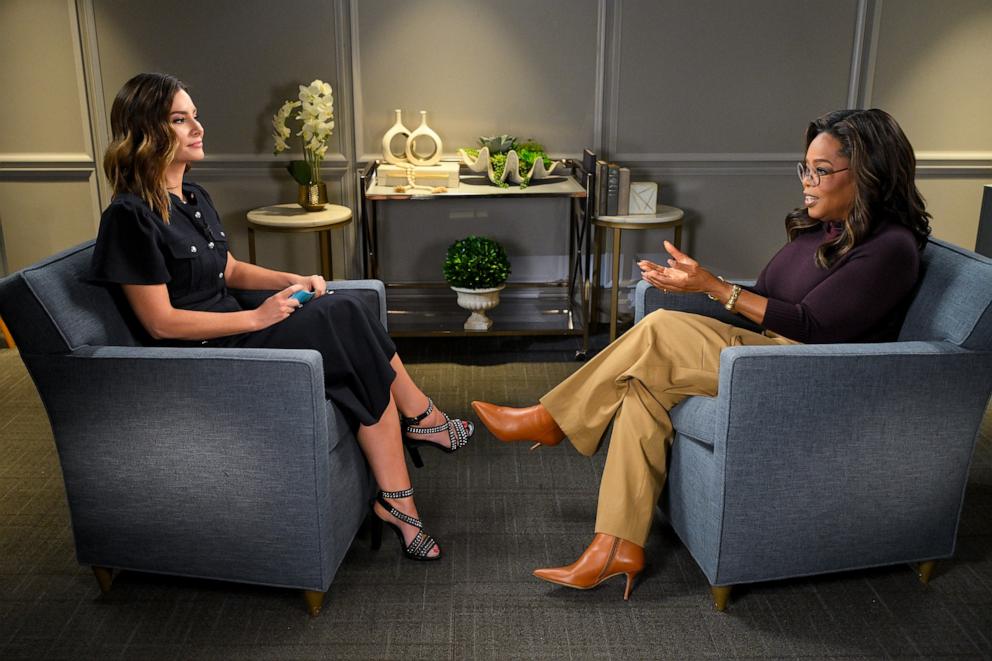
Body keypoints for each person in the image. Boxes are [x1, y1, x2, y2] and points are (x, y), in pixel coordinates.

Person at [472, 108, 932, 598]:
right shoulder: (824, 230)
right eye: (805, 167)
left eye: (822, 171)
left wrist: (713, 287)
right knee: (639, 388)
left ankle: (553, 418)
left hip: (807, 373)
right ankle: (615, 546)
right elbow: (771, 298)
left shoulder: (891, 249)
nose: (808, 181)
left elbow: (812, 325)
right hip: (766, 355)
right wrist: (706, 288)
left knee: (661, 328)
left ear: (869, 174)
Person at [91, 72, 473, 562]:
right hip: (207, 357)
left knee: (352, 337)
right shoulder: (129, 216)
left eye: (194, 116)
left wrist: (290, 279)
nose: (197, 127)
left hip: (239, 330)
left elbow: (226, 270)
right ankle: (422, 421)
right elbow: (161, 323)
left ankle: (402, 503)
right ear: (146, 133)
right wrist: (257, 320)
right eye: (179, 120)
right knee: (346, 314)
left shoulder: (194, 197)